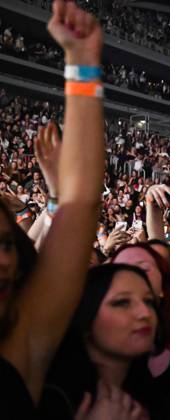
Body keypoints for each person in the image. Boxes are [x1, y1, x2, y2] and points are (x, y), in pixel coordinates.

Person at [0, 1, 105, 417]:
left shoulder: (19, 347)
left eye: (7, 244)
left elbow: (80, 202)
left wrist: (81, 64)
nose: (4, 259)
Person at [40, 264, 161, 419]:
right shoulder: (51, 399)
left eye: (149, 301)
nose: (145, 313)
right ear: (86, 314)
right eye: (122, 302)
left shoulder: (154, 393)